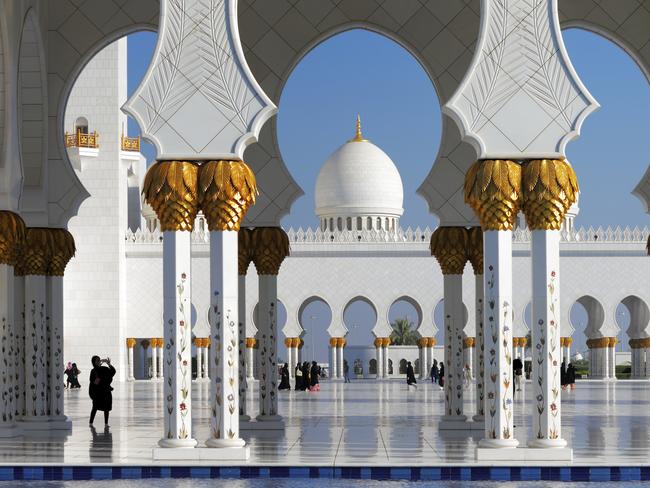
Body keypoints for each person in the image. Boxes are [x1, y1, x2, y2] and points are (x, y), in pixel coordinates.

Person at [89, 356, 115, 426]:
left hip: (106, 391)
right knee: (95, 407)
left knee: (106, 408)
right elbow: (93, 381)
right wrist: (98, 379)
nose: (98, 362)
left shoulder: (104, 369)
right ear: (94, 362)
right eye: (97, 361)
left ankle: (106, 423)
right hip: (98, 393)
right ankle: (91, 422)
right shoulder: (93, 371)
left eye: (99, 360)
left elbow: (113, 372)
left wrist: (108, 364)